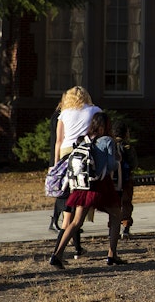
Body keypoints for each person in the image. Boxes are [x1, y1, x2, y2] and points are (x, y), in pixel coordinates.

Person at [50, 112, 125, 268]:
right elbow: (111, 166)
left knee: (76, 222)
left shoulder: (83, 140)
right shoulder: (108, 141)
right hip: (101, 185)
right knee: (116, 215)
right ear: (106, 125)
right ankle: (112, 254)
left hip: (83, 185)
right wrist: (117, 158)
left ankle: (57, 254)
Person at [51, 86, 102, 255]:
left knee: (69, 203)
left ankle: (74, 248)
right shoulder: (95, 110)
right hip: (85, 154)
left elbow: (58, 141)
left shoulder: (64, 113)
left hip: (66, 152)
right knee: (79, 201)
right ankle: (70, 249)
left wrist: (55, 165)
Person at [111, 120, 138, 238]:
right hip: (126, 180)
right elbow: (134, 163)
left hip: (113, 180)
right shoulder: (127, 147)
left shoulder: (110, 145)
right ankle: (125, 226)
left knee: (113, 204)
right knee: (126, 203)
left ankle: (112, 227)